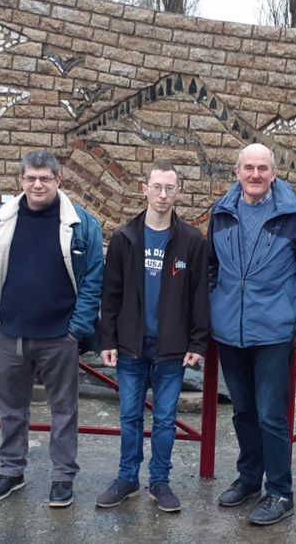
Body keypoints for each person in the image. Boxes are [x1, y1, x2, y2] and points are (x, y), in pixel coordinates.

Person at [0, 150, 103, 508]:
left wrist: (77, 330)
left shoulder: (81, 223)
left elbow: (93, 278)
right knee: (10, 408)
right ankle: (11, 471)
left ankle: (63, 477)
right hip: (9, 333)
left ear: (59, 180)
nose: (37, 184)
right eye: (31, 177)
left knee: (64, 411)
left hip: (60, 336)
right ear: (21, 180)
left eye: (45, 177)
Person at [208, 143, 296, 526]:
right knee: (242, 411)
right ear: (237, 171)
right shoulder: (221, 212)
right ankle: (248, 479)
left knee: (271, 415)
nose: (255, 174)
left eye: (263, 168)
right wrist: (214, 307)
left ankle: (280, 491)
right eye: (249, 168)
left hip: (275, 332)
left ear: (273, 173)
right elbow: (211, 268)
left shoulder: (295, 213)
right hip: (229, 330)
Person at [94, 162, 209, 513]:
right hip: (130, 345)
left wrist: (197, 342)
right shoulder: (125, 237)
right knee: (129, 416)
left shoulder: (191, 240)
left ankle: (160, 481)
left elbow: (200, 294)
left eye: (169, 188)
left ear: (179, 192)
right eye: (156, 187)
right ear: (144, 188)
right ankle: (127, 478)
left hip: (172, 349)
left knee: (164, 419)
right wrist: (107, 340)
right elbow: (110, 295)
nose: (162, 195)